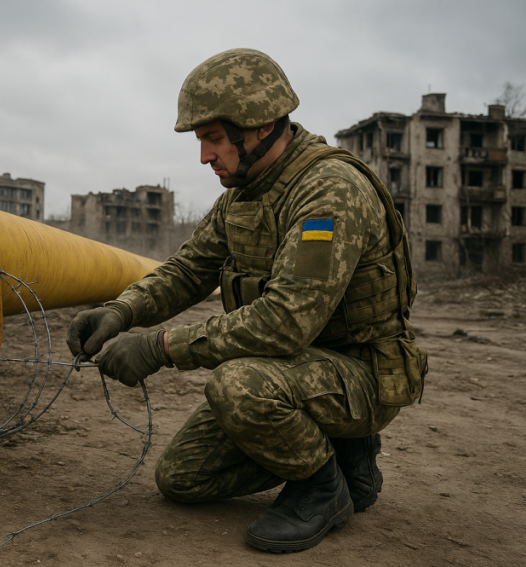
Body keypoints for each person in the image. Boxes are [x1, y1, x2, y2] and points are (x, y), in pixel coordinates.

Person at [67, 48, 428, 553]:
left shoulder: (330, 193)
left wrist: (159, 348)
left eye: (213, 139)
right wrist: (122, 310)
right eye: (201, 141)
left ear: (258, 126)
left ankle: (323, 488)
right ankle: (347, 454)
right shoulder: (244, 191)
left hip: (361, 373)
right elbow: (189, 270)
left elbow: (283, 322)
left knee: (238, 385)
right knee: (182, 479)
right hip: (298, 370)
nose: (204, 157)